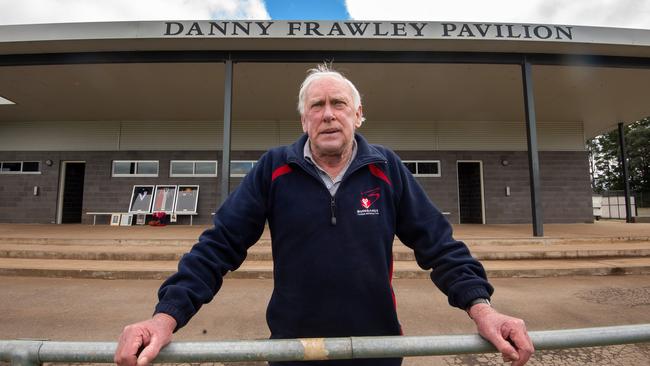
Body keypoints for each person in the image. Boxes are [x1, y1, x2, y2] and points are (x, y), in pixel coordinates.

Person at [115, 64, 534, 366]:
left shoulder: (386, 169)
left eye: (339, 103)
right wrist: (164, 318)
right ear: (304, 118)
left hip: (377, 351)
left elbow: (440, 246)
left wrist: (483, 310)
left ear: (358, 114)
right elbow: (217, 247)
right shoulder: (274, 168)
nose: (328, 113)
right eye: (317, 105)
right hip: (294, 350)